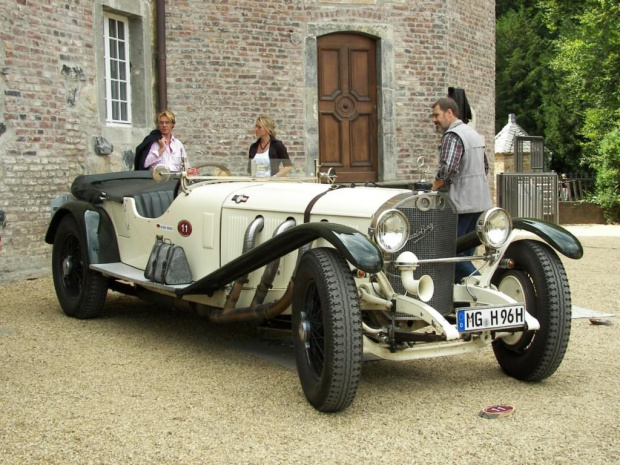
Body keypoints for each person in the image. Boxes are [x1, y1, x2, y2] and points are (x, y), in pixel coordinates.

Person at [430, 97, 492, 283]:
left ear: (449, 112)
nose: (434, 119)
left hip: (461, 205)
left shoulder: (453, 135)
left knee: (450, 255)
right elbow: (485, 167)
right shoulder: (472, 133)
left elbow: (448, 169)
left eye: (436, 115)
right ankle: (461, 302)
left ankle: (482, 287)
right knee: (464, 255)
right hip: (480, 203)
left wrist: (432, 188)